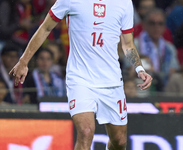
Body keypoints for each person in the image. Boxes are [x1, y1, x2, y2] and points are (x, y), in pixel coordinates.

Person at [9, 0, 152, 150]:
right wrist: (23, 61)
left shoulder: (124, 3)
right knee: (85, 132)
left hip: (111, 80)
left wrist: (139, 68)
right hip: (80, 79)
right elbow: (45, 28)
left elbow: (127, 43)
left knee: (119, 140)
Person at [134, 8, 179, 84]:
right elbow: (129, 68)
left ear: (164, 27)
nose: (156, 27)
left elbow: (173, 71)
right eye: (152, 23)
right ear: (144, 25)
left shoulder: (169, 48)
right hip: (139, 84)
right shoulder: (134, 44)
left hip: (164, 87)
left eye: (160, 23)